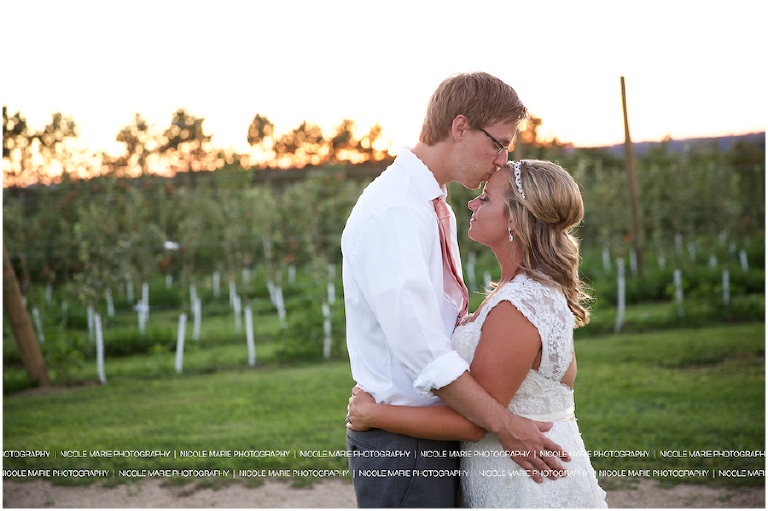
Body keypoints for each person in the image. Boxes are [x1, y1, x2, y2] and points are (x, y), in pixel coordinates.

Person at [341, 72, 570, 508]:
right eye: (499, 142)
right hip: (404, 446)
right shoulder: (397, 211)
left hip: (438, 428)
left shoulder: (432, 202)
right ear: (460, 127)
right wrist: (503, 423)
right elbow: (425, 355)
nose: (503, 159)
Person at [347, 159, 608, 508]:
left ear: (515, 218)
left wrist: (373, 415)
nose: (472, 203)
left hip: (525, 484)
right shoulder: (515, 292)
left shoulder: (519, 306)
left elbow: (473, 422)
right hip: (510, 473)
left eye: (485, 198)